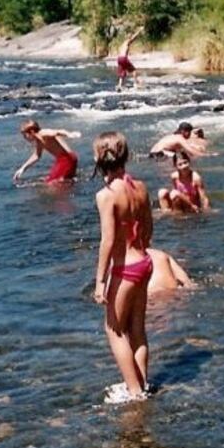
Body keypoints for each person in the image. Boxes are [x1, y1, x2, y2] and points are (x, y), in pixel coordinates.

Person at [93, 131, 154, 403]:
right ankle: (140, 382)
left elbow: (107, 241)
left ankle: (135, 392)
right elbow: (149, 227)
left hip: (124, 269)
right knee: (137, 329)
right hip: (144, 261)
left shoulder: (106, 195)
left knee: (115, 329)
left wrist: (99, 282)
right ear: (125, 156)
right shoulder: (140, 187)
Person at [13, 120, 81, 184]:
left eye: (25, 135)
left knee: (51, 183)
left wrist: (69, 134)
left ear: (32, 131)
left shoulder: (43, 133)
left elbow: (58, 132)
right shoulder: (39, 139)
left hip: (65, 159)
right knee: (65, 181)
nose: (24, 138)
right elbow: (37, 155)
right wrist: (22, 168)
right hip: (70, 158)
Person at [114, 26, 144, 92]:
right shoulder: (127, 42)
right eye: (130, 37)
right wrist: (139, 31)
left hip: (119, 59)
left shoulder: (122, 44)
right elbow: (134, 37)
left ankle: (119, 86)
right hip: (124, 58)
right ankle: (136, 84)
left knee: (122, 72)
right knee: (133, 70)